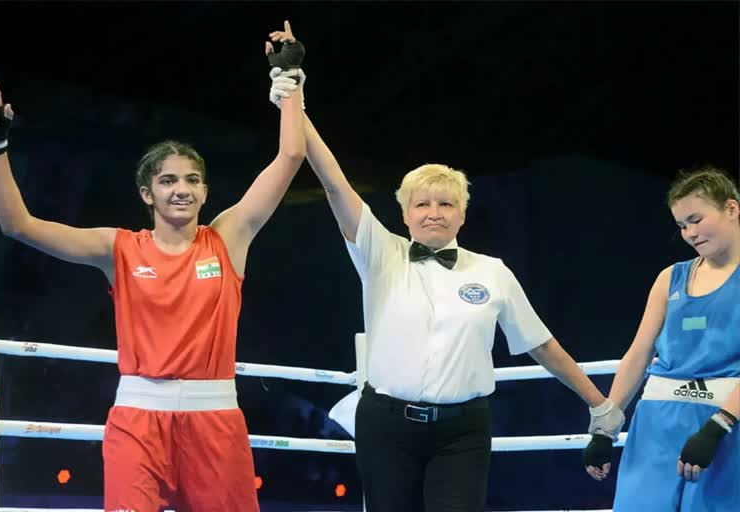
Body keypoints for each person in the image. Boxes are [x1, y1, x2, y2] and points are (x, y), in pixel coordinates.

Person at [267, 35, 625, 512]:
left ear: (462, 213)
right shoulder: (380, 252)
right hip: (386, 424)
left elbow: (542, 344)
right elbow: (333, 183)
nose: (434, 212)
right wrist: (293, 93)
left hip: (463, 430)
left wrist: (599, 404)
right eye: (422, 203)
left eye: (446, 202)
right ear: (405, 213)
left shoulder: (493, 272)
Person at [0, 22, 305, 511]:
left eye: (193, 179)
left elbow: (291, 155)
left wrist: (290, 75)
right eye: (168, 180)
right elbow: (18, 225)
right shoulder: (119, 248)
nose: (182, 188)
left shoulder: (228, 239)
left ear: (206, 192)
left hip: (214, 421)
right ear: (148, 193)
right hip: (138, 419)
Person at [583, 166, 740, 511]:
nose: (690, 233)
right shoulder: (670, 278)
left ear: (731, 208)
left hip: (725, 423)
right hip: (655, 423)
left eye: (697, 219)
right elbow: (639, 353)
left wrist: (718, 427)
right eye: (682, 226)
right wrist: (605, 428)